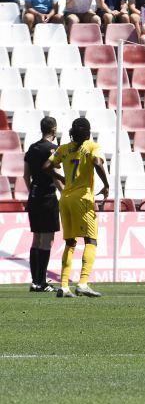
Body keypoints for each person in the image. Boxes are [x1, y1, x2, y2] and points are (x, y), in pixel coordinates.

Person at [44, 117, 109, 298]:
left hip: (65, 198)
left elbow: (46, 166)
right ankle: (83, 283)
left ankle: (64, 286)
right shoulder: (92, 146)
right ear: (88, 132)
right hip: (82, 199)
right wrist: (106, 185)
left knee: (70, 242)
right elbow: (97, 163)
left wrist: (62, 178)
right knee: (91, 240)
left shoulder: (63, 148)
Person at [23, 117, 60, 293]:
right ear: (54, 129)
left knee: (36, 238)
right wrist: (65, 192)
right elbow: (55, 175)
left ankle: (35, 281)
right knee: (47, 240)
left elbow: (25, 175)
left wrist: (32, 190)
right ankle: (42, 282)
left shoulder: (32, 148)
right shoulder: (53, 149)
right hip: (48, 197)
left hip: (34, 196)